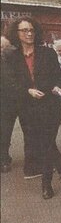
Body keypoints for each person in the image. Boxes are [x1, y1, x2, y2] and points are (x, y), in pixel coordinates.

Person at [6, 17, 61, 199]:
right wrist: (27, 90)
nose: (29, 33)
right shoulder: (10, 56)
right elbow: (8, 83)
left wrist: (58, 86)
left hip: (49, 106)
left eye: (31, 30)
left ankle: (46, 183)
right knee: (45, 143)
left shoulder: (47, 53)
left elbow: (59, 78)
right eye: (24, 30)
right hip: (27, 108)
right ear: (16, 33)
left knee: (45, 142)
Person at [1, 35, 18, 173]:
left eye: (5, 47)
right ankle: (4, 159)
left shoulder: (16, 60)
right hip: (5, 103)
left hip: (22, 100)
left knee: (31, 130)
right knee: (4, 132)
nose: (3, 50)